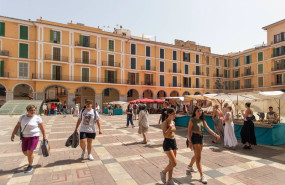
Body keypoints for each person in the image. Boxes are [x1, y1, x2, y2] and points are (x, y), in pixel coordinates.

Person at [187, 107, 220, 184]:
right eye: (198, 111)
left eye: (201, 111)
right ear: (195, 112)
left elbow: (208, 128)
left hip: (201, 137)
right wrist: (190, 141)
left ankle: (190, 166)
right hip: (195, 138)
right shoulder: (192, 120)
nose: (200, 112)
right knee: (198, 158)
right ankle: (202, 176)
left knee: (197, 155)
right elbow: (189, 131)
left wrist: (215, 134)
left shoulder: (202, 120)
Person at [11, 105, 47, 173]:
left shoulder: (37, 118)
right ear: (27, 111)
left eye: (34, 110)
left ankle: (30, 166)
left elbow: (42, 128)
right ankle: (31, 157)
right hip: (24, 137)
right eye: (31, 110)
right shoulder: (22, 117)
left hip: (34, 136)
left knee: (29, 151)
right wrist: (13, 134)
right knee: (25, 151)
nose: (33, 111)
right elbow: (17, 126)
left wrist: (44, 136)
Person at [160, 108, 178, 185]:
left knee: (171, 163)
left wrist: (172, 129)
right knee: (174, 163)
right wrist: (170, 128)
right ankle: (163, 172)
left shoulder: (173, 122)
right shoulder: (165, 122)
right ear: (169, 114)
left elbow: (173, 133)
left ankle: (170, 180)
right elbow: (164, 135)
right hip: (167, 143)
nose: (175, 115)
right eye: (173, 114)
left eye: (175, 113)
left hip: (173, 142)